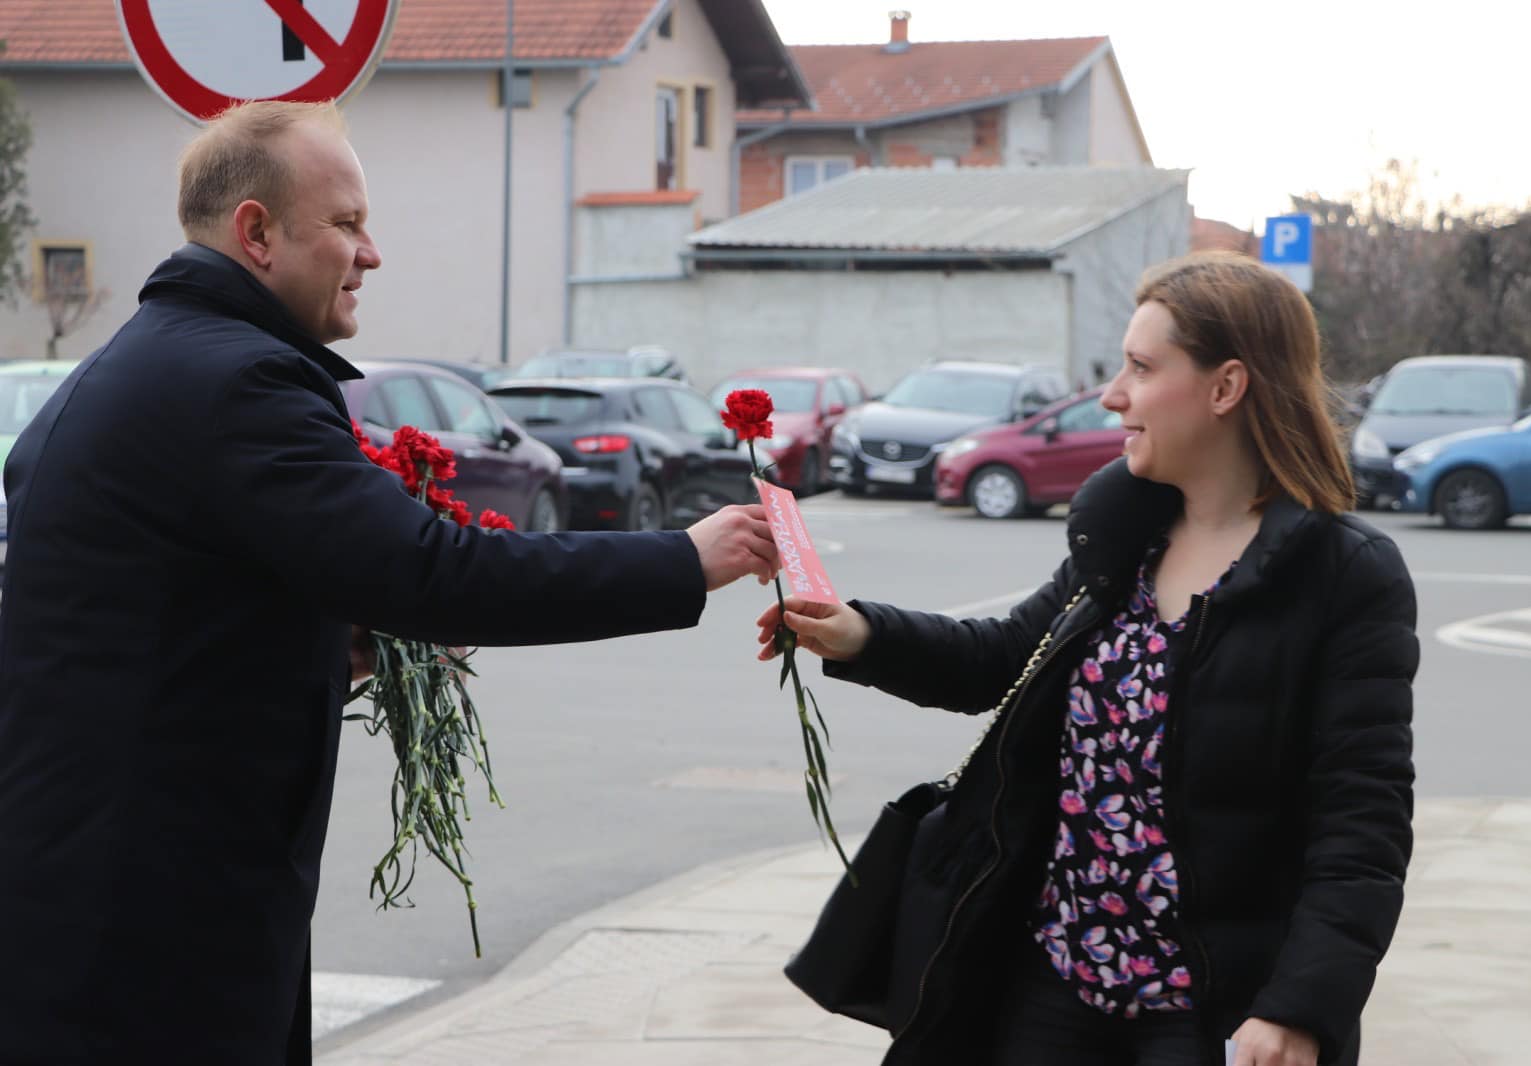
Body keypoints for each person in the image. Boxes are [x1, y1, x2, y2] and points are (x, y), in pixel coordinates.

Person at [0, 100, 778, 1064]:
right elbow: (428, 571)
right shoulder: (240, 385)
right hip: (154, 934)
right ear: (257, 232)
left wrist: (328, 648)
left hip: (84, 898)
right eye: (348, 223)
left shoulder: (126, 367)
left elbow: (152, 623)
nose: (372, 253)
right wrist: (684, 559)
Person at [759, 251, 1418, 1066]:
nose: (1112, 396)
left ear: (1226, 388)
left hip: (1213, 1007)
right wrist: (860, 632)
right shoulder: (1124, 536)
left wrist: (1300, 1008)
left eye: (1141, 369)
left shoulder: (1344, 574)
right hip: (1053, 983)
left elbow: (1362, 823)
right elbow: (1006, 656)